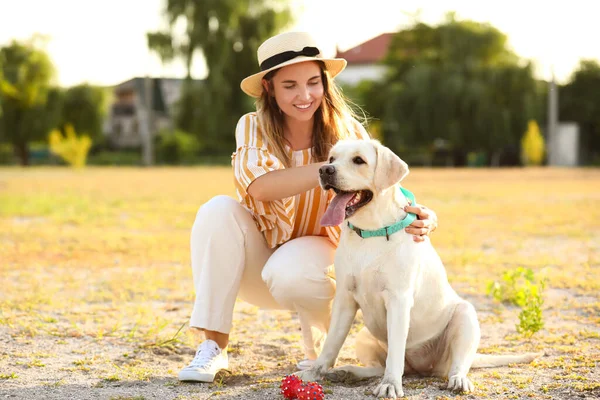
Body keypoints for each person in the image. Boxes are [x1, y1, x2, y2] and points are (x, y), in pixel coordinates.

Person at [178, 31, 438, 383]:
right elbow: (261, 186)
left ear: (325, 83)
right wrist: (332, 170)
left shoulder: (347, 132)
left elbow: (383, 186)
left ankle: (318, 345)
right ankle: (212, 348)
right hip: (257, 262)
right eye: (290, 86)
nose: (305, 96)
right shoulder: (252, 126)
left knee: (295, 269)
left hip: (313, 267)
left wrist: (425, 214)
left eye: (314, 82)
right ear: (269, 88)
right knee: (216, 210)